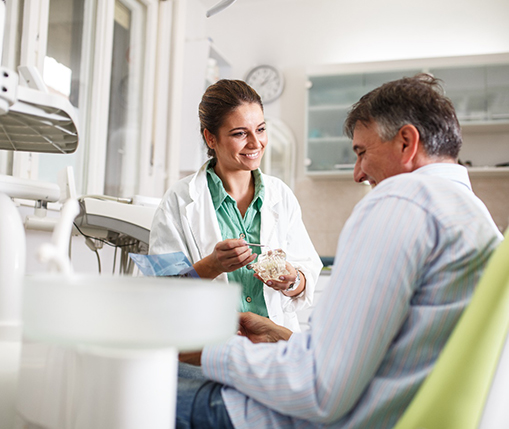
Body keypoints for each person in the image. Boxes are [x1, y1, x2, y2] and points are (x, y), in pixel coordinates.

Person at [175, 74, 504, 429]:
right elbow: (384, 354)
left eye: (362, 151)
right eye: (240, 132)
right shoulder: (473, 217)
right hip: (365, 404)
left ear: (407, 142)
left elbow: (319, 389)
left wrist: (210, 351)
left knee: (133, 385)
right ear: (212, 139)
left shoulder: (400, 201)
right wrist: (282, 335)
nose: (357, 173)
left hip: (286, 417)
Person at [149, 79, 322, 331]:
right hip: (208, 350)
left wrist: (292, 280)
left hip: (272, 352)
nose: (255, 143)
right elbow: (160, 292)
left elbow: (308, 274)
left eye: (261, 129)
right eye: (240, 133)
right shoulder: (178, 200)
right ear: (210, 138)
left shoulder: (280, 196)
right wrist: (212, 265)